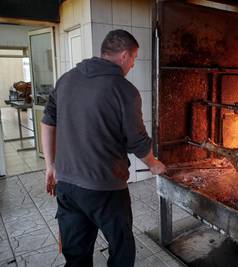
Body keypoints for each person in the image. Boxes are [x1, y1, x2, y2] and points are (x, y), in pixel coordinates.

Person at [41, 29, 165, 267]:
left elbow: (48, 121)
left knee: (75, 253)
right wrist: (154, 164)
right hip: (105, 188)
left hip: (66, 184)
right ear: (125, 56)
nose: (132, 65)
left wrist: (50, 166)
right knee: (121, 247)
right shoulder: (124, 89)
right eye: (134, 59)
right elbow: (137, 140)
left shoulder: (66, 79)